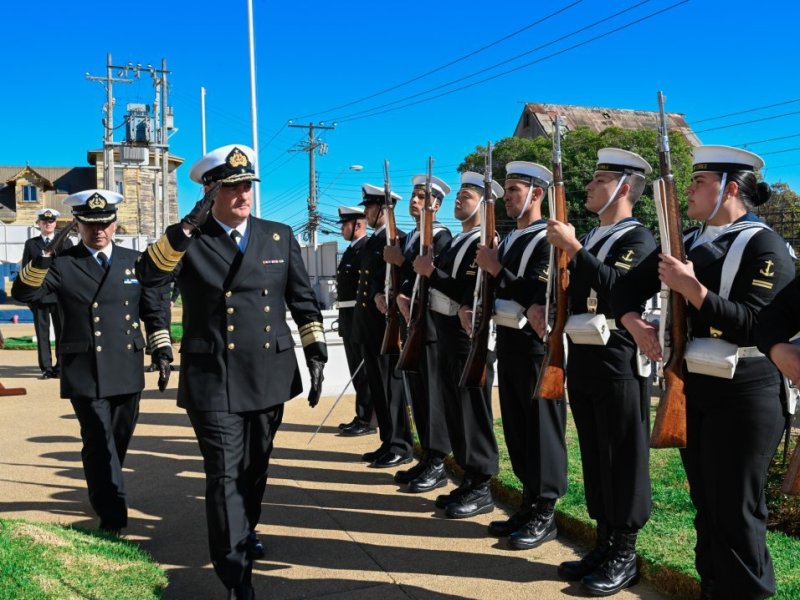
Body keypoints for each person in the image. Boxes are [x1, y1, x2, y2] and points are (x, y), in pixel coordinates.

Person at [136, 144, 327, 600]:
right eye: (233, 187)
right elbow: (149, 277)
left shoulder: (278, 235)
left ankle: (246, 530)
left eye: (248, 186)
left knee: (254, 468)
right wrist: (185, 227)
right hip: (214, 374)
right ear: (210, 192)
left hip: (269, 371)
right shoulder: (188, 240)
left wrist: (315, 352)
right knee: (223, 473)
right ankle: (235, 573)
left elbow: (301, 299)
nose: (244, 195)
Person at [614, 146, 794, 600]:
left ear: (730, 188)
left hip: (747, 389)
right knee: (706, 506)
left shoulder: (764, 243)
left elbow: (760, 325)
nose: (690, 190)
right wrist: (633, 322)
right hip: (695, 387)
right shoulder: (687, 242)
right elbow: (624, 291)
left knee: (737, 510)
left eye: (700, 181)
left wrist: (692, 289)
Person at [532, 149, 656, 595]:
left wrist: (575, 250)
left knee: (623, 457)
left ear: (624, 188)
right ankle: (604, 541)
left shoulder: (637, 239)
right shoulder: (593, 235)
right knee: (595, 456)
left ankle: (625, 549)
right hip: (583, 359)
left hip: (619, 362)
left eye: (599, 179)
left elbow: (620, 291)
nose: (588, 185)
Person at [12, 190, 172, 534]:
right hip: (85, 367)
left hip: (126, 366)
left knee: (116, 442)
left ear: (115, 224)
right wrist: (43, 259)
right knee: (99, 441)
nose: (98, 230)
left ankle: (104, 489)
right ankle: (113, 516)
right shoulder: (62, 263)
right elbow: (23, 294)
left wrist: (161, 350)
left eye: (105, 223)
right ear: (78, 225)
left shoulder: (136, 261)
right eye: (89, 224)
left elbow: (153, 310)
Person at [472, 161, 567, 544]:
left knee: (542, 429)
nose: (506, 197)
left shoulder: (548, 237)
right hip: (508, 342)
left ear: (537, 193)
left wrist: (497, 270)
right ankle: (528, 503)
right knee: (517, 428)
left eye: (513, 189)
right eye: (507, 189)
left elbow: (539, 295)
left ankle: (545, 510)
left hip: (535, 347)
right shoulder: (509, 240)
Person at [413, 171, 501, 512]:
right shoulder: (456, 242)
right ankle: (468, 477)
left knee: (473, 412)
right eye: (459, 192)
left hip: (468, 338)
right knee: (455, 411)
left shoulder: (485, 242)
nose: (459, 198)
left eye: (467, 193)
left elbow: (468, 292)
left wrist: (431, 272)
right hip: (447, 334)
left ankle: (481, 485)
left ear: (483, 202)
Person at [391, 174, 452, 492]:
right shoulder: (413, 236)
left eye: (421, 197)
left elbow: (433, 276)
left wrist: (403, 261)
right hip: (410, 322)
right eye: (413, 196)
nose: (414, 201)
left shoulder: (441, 236)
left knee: (432, 394)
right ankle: (427, 455)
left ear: (436, 204)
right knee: (418, 394)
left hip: (430, 325)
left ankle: (438, 460)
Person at [351, 183, 409, 468]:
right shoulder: (376, 240)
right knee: (379, 387)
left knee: (392, 388)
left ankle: (400, 444)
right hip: (370, 328)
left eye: (369, 207)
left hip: (387, 328)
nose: (366, 212)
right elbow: (373, 282)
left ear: (384, 209)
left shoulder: (396, 238)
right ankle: (388, 440)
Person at [335, 206, 375, 436]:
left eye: (345, 224)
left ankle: (367, 418)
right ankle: (361, 415)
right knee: (356, 370)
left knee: (364, 371)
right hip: (348, 317)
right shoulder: (351, 251)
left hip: (359, 316)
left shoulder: (365, 250)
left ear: (357, 225)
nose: (342, 228)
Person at [21, 208, 73, 378]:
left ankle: (60, 366)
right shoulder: (31, 244)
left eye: (51, 222)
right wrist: (29, 296)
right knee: (42, 334)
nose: (48, 224)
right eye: (44, 221)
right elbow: (26, 270)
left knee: (62, 332)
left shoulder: (66, 242)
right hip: (39, 295)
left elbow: (70, 270)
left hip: (59, 295)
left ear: (55, 223)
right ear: (39, 224)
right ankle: (46, 368)